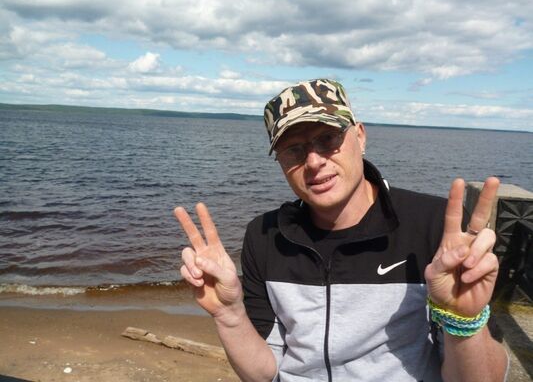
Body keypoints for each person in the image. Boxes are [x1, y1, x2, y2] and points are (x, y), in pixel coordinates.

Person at [175, 79, 509, 381]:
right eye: (293, 149)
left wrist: (464, 320)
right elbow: (265, 373)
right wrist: (229, 315)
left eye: (327, 139)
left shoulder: (432, 225)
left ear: (360, 136)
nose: (313, 161)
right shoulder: (264, 236)